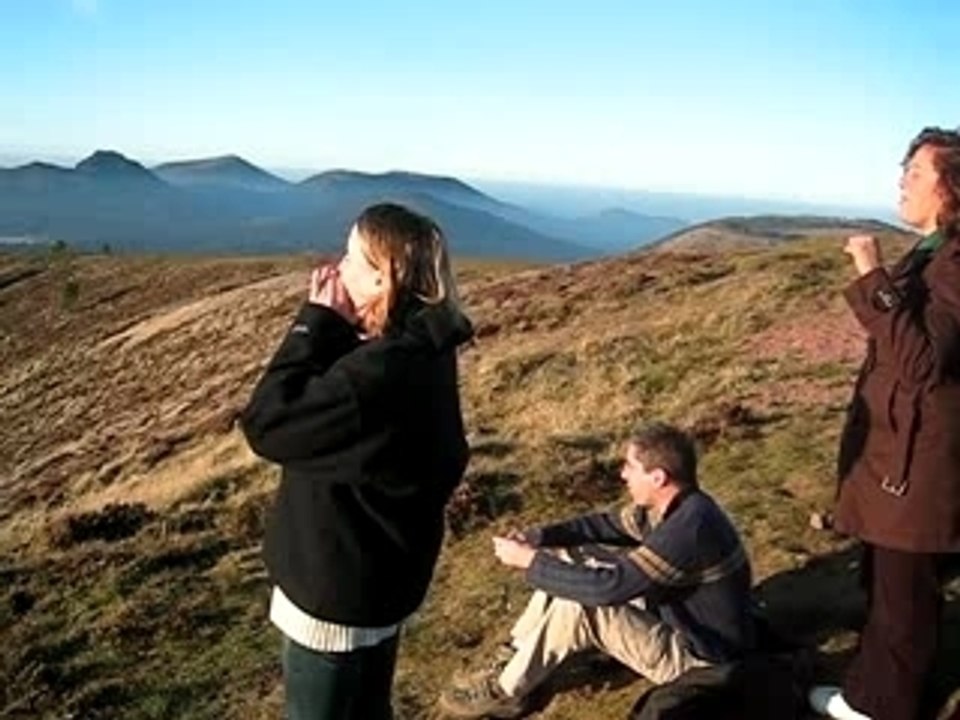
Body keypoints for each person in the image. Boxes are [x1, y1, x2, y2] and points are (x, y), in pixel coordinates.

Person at [240, 202, 473, 720]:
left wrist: (314, 323)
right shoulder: (424, 348)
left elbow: (267, 422)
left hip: (334, 594)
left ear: (380, 279)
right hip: (381, 580)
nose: (336, 267)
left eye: (351, 258)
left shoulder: (376, 376)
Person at [439, 422, 755, 719]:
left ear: (658, 477)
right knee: (568, 553)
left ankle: (507, 690)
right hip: (675, 618)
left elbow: (608, 589)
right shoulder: (676, 506)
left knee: (581, 606)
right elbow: (605, 525)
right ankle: (517, 652)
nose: (622, 475)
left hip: (699, 661)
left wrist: (530, 561)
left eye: (630, 467)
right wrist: (542, 538)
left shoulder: (688, 529)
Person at [808, 127, 960, 720]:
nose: (903, 179)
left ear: (951, 188)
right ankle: (867, 694)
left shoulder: (954, 262)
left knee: (903, 597)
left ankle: (883, 709)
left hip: (921, 460)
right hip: (904, 451)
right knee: (889, 583)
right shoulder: (934, 252)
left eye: (916, 172)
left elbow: (922, 362)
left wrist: (872, 275)